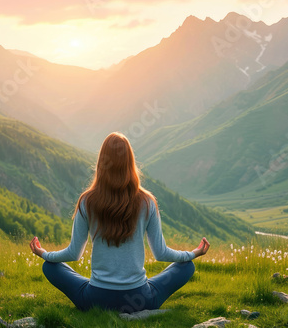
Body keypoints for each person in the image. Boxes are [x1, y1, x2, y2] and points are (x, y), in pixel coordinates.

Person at [29, 132, 210, 313]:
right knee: (187, 266)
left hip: (96, 300)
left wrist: (45, 254)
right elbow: (161, 254)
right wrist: (192, 254)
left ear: (102, 162)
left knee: (49, 267)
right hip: (139, 300)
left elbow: (74, 253)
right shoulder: (146, 202)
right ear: (130, 163)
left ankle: (95, 295)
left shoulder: (87, 201)